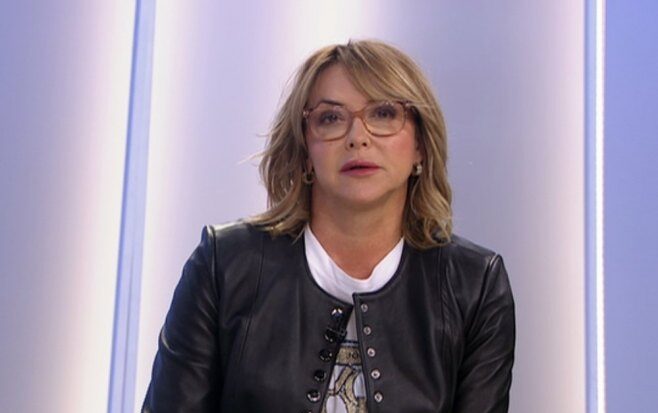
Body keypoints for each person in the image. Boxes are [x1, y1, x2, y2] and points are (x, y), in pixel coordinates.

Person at [142, 39, 515, 413]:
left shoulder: (474, 285)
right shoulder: (224, 264)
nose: (358, 138)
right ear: (305, 149)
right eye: (331, 118)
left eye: (384, 113)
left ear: (419, 145)